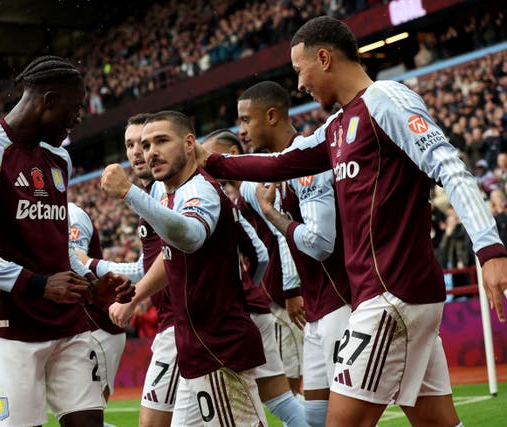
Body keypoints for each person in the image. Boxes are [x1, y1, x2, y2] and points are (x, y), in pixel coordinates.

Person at [196, 16, 507, 427]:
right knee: (439, 423)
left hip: (392, 295)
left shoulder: (385, 98)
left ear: (323, 58)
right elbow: (280, 163)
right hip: (393, 298)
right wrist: (210, 161)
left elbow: (450, 167)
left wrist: (490, 250)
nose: (300, 85)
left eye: (299, 71)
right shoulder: (337, 127)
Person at [0, 56, 133, 427]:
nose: (78, 119)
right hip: (8, 329)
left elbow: (54, 246)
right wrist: (36, 284)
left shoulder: (59, 157)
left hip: (66, 326)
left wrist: (90, 288)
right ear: (49, 100)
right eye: (75, 109)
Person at [102, 111, 268, 425]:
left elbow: (190, 237)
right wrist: (134, 297)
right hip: (195, 345)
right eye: (145, 145)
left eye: (162, 141)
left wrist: (128, 193)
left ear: (189, 143)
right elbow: (169, 260)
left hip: (218, 346)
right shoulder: (170, 198)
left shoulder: (199, 190)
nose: (151, 152)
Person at [226, 80, 352, 427]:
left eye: (246, 120)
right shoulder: (281, 170)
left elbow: (320, 243)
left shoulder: (306, 163)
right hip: (317, 309)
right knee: (313, 419)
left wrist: (273, 215)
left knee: (351, 418)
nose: (242, 131)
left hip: (339, 303)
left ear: (271, 115)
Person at [202, 130, 309, 426]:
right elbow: (259, 252)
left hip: (284, 299)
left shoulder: (249, 187)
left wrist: (290, 288)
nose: (208, 162)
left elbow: (280, 233)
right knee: (286, 390)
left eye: (213, 155)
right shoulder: (238, 194)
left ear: (233, 153)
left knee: (291, 386)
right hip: (274, 298)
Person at [82, 114, 178, 427]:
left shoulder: (165, 194)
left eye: (146, 143)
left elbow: (172, 254)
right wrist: (93, 265)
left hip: (183, 322)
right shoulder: (150, 197)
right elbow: (147, 265)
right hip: (174, 322)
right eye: (130, 144)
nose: (138, 152)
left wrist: (133, 299)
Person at [68, 201, 126, 404]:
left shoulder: (72, 214)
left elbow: (76, 259)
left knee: (88, 410)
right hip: (72, 326)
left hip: (96, 325)